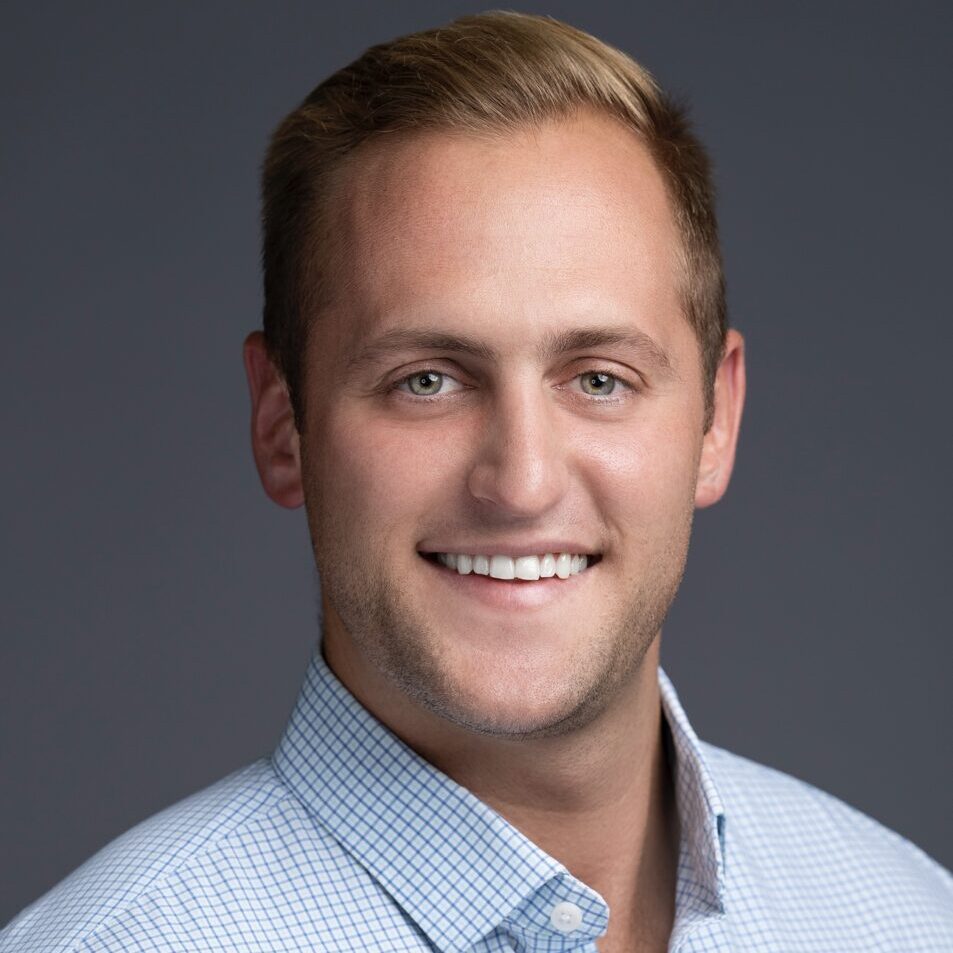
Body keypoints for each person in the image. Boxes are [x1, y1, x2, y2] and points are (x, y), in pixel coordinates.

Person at [3, 11, 951, 953]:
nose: (521, 481)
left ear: (715, 418)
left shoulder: (906, 916)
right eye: (426, 380)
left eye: (597, 379)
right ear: (282, 423)